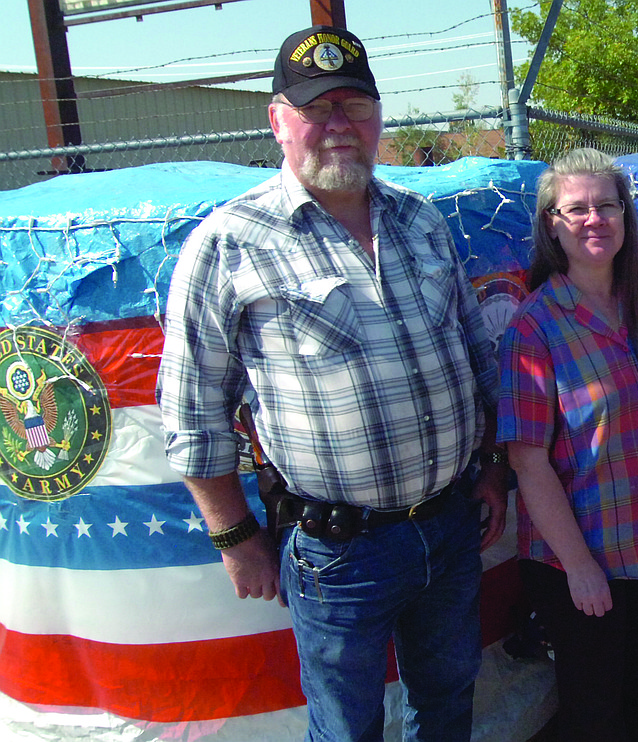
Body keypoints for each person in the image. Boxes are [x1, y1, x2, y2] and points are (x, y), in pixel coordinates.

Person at [156, 25, 510, 742]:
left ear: (379, 117)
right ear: (278, 121)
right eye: (318, 108)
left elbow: (477, 355)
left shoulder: (421, 220)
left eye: (355, 105)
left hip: (449, 527)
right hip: (339, 554)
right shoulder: (231, 241)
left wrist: (493, 470)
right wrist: (233, 535)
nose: (339, 125)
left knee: (447, 702)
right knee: (347, 730)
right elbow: (192, 409)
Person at [495, 147, 638, 742]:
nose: (595, 219)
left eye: (607, 206)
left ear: (625, 217)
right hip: (585, 560)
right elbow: (527, 462)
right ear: (551, 225)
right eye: (577, 209)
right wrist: (580, 567)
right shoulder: (533, 328)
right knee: (594, 718)